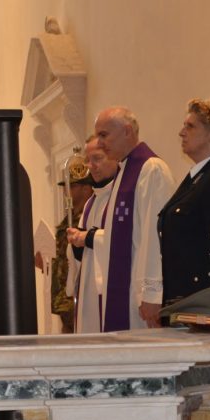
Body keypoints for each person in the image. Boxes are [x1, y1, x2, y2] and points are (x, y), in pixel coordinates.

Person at [68, 107, 174, 329]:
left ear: (127, 131)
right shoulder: (122, 174)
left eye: (104, 135)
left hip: (138, 294)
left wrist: (152, 294)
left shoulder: (150, 169)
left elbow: (155, 235)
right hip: (121, 291)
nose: (100, 141)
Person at [157, 99, 210, 308]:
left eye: (190, 126)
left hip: (198, 297)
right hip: (180, 294)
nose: (181, 132)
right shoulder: (196, 178)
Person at [66, 136, 119, 333]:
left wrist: (88, 238)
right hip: (88, 293)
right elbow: (81, 253)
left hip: (109, 293)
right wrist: (75, 241)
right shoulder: (91, 203)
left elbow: (126, 240)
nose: (91, 166)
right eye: (88, 160)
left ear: (114, 156)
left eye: (97, 159)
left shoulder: (122, 197)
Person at [47, 153, 94, 333]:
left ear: (86, 188)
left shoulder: (89, 217)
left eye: (72, 186)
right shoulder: (70, 217)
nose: (67, 191)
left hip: (77, 295)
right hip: (63, 297)